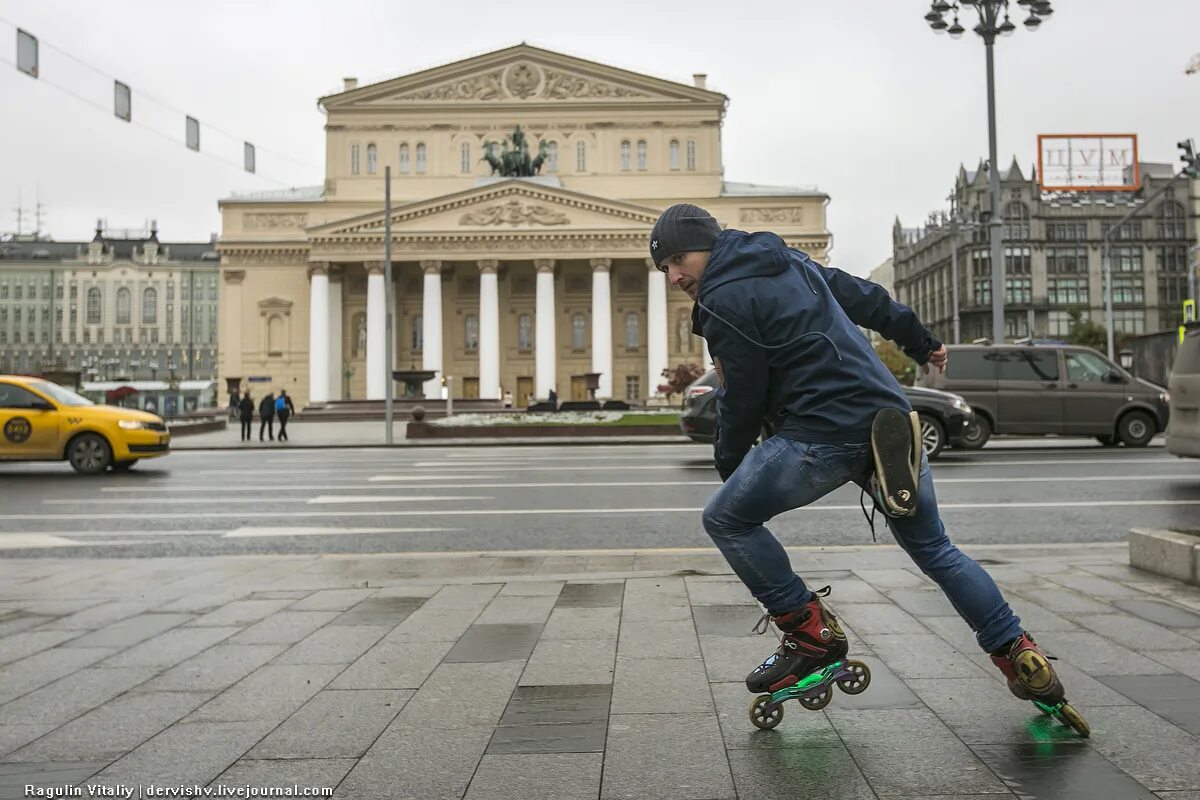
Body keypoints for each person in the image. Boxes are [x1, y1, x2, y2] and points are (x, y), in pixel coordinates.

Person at [649, 203, 1086, 733]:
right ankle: (1018, 653)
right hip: (888, 419)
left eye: (678, 259)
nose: (674, 276)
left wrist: (731, 466)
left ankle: (810, 633)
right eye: (664, 268)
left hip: (820, 432)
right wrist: (922, 341)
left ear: (709, 246)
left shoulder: (721, 299)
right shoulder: (788, 259)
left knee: (726, 519)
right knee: (935, 549)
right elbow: (864, 296)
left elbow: (742, 395)